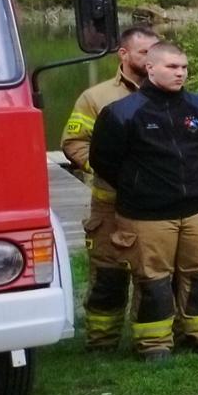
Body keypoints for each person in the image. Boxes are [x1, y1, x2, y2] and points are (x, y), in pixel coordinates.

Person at [90, 43, 198, 360]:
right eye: (172, 67)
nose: (180, 72)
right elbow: (104, 161)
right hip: (146, 213)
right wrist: (140, 187)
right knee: (153, 281)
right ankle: (154, 343)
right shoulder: (123, 113)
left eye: (183, 67)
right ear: (150, 69)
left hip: (197, 209)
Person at [65, 25, 157, 351]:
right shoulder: (97, 97)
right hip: (110, 204)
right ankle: (101, 343)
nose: (151, 58)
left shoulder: (170, 94)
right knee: (108, 276)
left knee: (154, 278)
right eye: (144, 52)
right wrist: (105, 166)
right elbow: (74, 143)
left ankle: (152, 344)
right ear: (124, 54)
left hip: (155, 206)